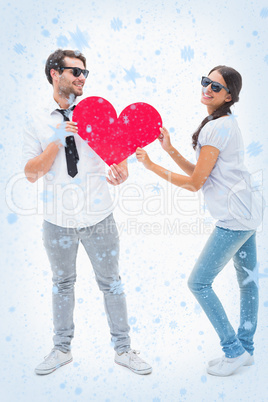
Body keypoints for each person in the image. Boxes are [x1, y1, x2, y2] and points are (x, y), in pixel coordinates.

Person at [23, 49, 152, 376]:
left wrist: (121, 171)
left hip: (100, 219)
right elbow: (30, 173)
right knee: (62, 283)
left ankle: (123, 350)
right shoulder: (37, 118)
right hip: (57, 223)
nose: (82, 78)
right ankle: (61, 349)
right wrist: (56, 138)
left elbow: (118, 159)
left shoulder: (95, 112)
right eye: (75, 72)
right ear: (55, 73)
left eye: (85, 73)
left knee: (112, 283)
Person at [136, 65, 264, 376]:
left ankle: (233, 350)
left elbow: (194, 184)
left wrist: (152, 166)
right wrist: (170, 150)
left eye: (216, 87)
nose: (207, 88)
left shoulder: (216, 127)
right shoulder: (222, 122)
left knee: (198, 282)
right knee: (247, 283)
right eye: (206, 82)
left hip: (234, 218)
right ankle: (245, 349)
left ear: (229, 96)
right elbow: (202, 174)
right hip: (248, 211)